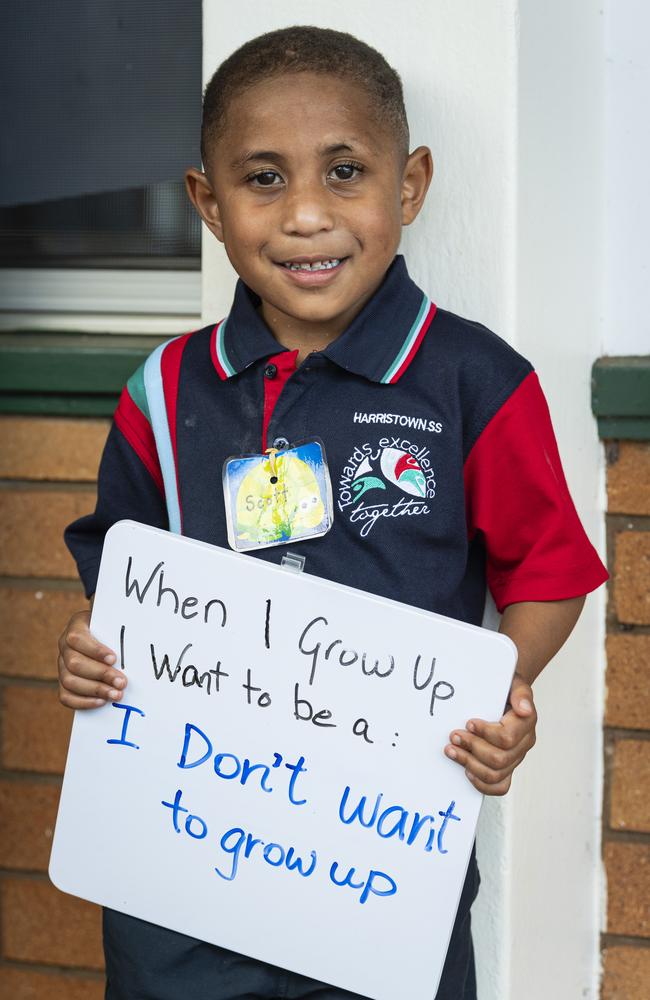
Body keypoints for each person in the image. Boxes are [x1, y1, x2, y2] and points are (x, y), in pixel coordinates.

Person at [57, 25, 608, 1000]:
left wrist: (494, 692)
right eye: (262, 179)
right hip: (180, 884)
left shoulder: (474, 383)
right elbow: (122, 585)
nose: (306, 215)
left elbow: (550, 573)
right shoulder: (163, 389)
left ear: (408, 186)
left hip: (379, 879)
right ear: (207, 204)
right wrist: (92, 650)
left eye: (344, 171)